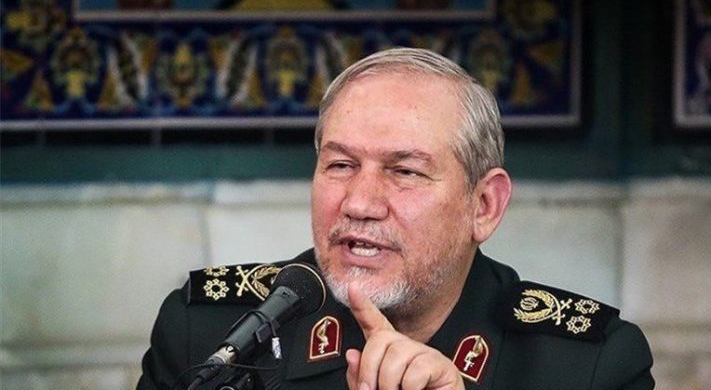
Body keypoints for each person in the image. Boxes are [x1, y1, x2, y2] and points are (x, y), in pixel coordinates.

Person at [138, 48, 654, 390]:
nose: (359, 203)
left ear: (484, 206)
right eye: (341, 165)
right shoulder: (209, 334)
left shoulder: (588, 366)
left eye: (404, 171)